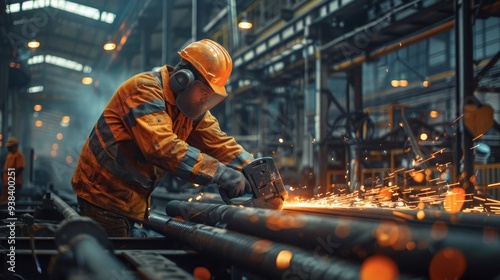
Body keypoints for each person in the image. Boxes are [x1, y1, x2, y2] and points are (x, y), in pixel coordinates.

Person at [72, 39, 254, 237]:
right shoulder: (144, 90)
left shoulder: (188, 108)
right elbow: (162, 147)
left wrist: (255, 169)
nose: (204, 99)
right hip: (102, 196)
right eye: (203, 91)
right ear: (183, 78)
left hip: (131, 201)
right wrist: (221, 173)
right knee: (113, 262)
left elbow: (219, 142)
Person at [1, 137, 25, 204]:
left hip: (14, 183)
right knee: (5, 200)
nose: (8, 148)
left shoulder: (19, 155)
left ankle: (13, 213)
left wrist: (11, 178)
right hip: (7, 182)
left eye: (10, 147)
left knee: (12, 200)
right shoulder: (9, 155)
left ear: (15, 146)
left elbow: (20, 168)